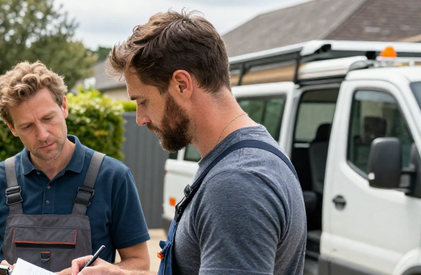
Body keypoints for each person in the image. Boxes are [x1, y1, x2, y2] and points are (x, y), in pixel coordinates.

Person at [71, 10, 306, 275]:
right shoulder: (252, 155)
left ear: (182, 85)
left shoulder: (236, 183)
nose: (140, 118)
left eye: (142, 101)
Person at [0, 61, 152, 275]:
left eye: (48, 118)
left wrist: (110, 273)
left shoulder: (113, 177)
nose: (42, 135)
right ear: (12, 128)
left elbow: (140, 263)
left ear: (64, 107)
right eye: (27, 126)